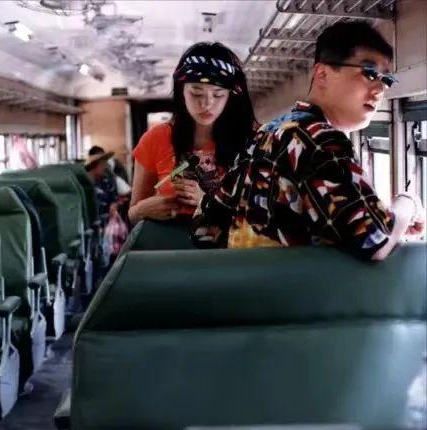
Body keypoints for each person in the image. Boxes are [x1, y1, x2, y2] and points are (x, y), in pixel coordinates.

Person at [192, 21, 425, 261]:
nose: (380, 90)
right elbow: (374, 241)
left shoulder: (266, 133)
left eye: (386, 80)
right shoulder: (320, 138)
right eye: (370, 74)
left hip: (243, 283)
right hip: (292, 286)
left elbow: (205, 228)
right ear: (322, 74)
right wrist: (408, 204)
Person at [128, 42, 257, 225]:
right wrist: (142, 210)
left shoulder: (252, 142)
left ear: (230, 96)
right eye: (196, 93)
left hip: (227, 243)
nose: (207, 104)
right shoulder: (155, 138)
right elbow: (132, 215)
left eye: (218, 94)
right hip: (168, 240)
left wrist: (206, 202)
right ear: (181, 91)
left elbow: (261, 218)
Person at [85, 147, 119, 217]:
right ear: (93, 166)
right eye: (102, 164)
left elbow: (114, 199)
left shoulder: (107, 180)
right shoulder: (84, 185)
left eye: (105, 163)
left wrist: (113, 206)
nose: (105, 166)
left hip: (107, 220)